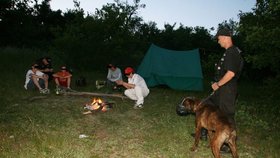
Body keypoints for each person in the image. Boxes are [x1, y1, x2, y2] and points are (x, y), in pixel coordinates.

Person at [204, 28, 244, 152]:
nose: (218, 41)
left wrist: (218, 84)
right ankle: (204, 132)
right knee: (208, 106)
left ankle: (228, 144)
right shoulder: (228, 52)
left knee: (227, 115)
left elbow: (231, 73)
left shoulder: (232, 52)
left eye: (219, 38)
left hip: (227, 89)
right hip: (222, 89)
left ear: (226, 37)